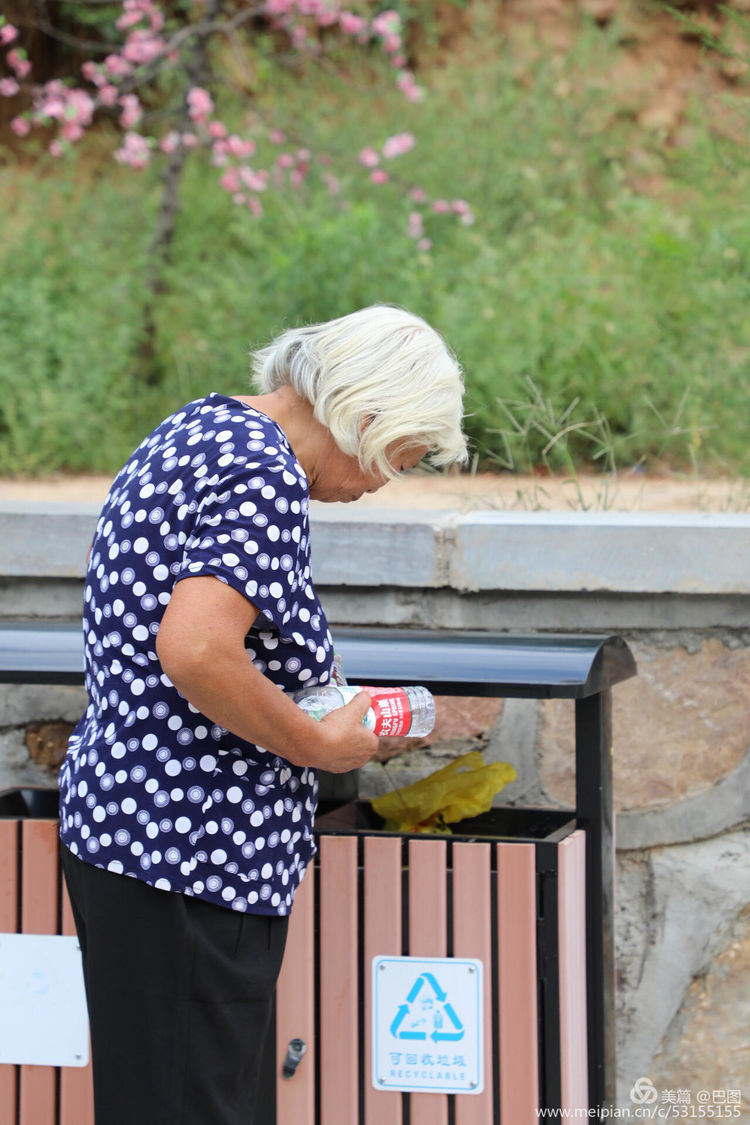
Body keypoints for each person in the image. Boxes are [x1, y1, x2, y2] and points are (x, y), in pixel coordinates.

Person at [59, 303, 467, 1125]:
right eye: (403, 454)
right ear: (367, 413)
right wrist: (317, 739)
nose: (387, 479)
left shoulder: (198, 430)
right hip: (188, 856)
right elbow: (198, 649)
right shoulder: (262, 469)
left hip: (140, 839)